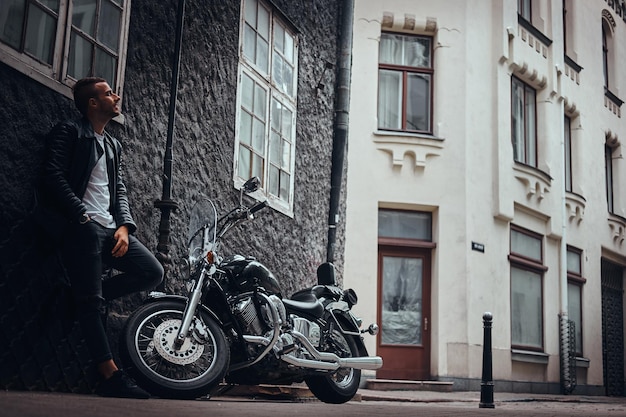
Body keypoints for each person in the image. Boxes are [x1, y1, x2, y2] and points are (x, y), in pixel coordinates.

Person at [39, 77, 164, 398]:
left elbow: (117, 189)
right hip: (81, 227)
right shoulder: (69, 132)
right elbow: (52, 176)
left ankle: (74, 300)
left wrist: (125, 226)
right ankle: (109, 375)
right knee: (93, 302)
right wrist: (81, 215)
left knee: (152, 271)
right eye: (109, 93)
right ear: (93, 103)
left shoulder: (112, 144)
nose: (116, 96)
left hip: (111, 229)